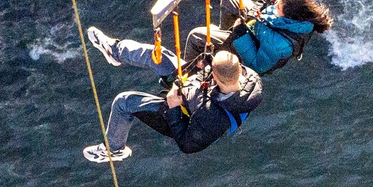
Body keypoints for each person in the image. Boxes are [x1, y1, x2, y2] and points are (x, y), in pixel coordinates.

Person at [81, 48, 262, 164]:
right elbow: (214, 81)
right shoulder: (250, 78)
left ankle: (114, 148)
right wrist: (202, 67)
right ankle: (116, 50)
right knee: (159, 54)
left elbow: (187, 146)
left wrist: (174, 108)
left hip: (183, 117)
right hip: (191, 92)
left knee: (124, 102)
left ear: (215, 76)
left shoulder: (212, 120)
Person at [217, 0, 332, 76]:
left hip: (251, 48)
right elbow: (273, 11)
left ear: (288, 16)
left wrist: (240, 34)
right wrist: (265, 0)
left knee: (205, 35)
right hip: (260, 26)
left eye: (278, 6)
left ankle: (223, 47)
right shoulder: (300, 15)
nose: (275, 4)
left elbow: (256, 66)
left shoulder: (278, 45)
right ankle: (226, 34)